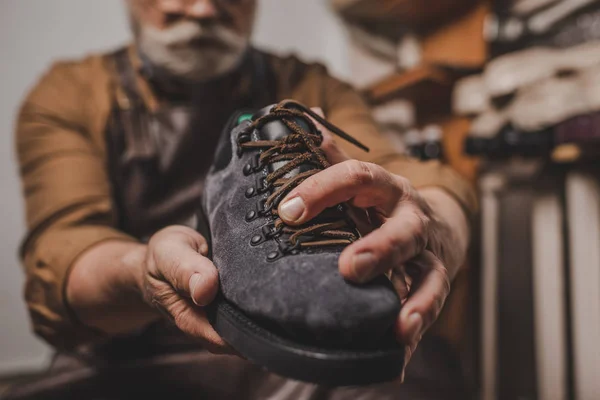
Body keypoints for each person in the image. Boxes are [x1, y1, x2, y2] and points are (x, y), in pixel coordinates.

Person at [12, 0, 477, 398]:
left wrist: (434, 227)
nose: (204, 9)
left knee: (418, 374)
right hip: (127, 349)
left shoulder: (311, 85)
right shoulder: (69, 92)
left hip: (303, 323)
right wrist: (143, 269)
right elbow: (62, 248)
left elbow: (405, 173)